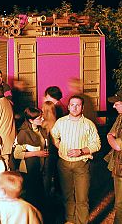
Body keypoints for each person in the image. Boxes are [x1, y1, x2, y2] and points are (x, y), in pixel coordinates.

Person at [51, 95, 101, 224]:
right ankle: (70, 220)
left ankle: (81, 222)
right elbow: (53, 136)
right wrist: (59, 146)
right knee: (67, 196)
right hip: (63, 164)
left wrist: (81, 151)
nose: (74, 107)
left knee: (82, 198)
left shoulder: (88, 124)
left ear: (82, 108)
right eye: (72, 104)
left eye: (78, 105)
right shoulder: (60, 122)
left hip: (81, 165)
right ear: (68, 106)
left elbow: (97, 144)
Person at [13, 107, 49, 212]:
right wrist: (37, 153)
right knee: (32, 197)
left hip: (40, 168)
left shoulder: (41, 130)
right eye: (39, 118)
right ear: (31, 120)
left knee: (40, 198)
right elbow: (17, 154)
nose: (42, 119)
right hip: (29, 170)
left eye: (41, 117)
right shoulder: (24, 133)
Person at [105, 90, 122, 224]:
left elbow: (117, 145)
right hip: (118, 167)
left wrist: (110, 137)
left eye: (117, 103)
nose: (113, 106)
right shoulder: (120, 117)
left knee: (120, 205)